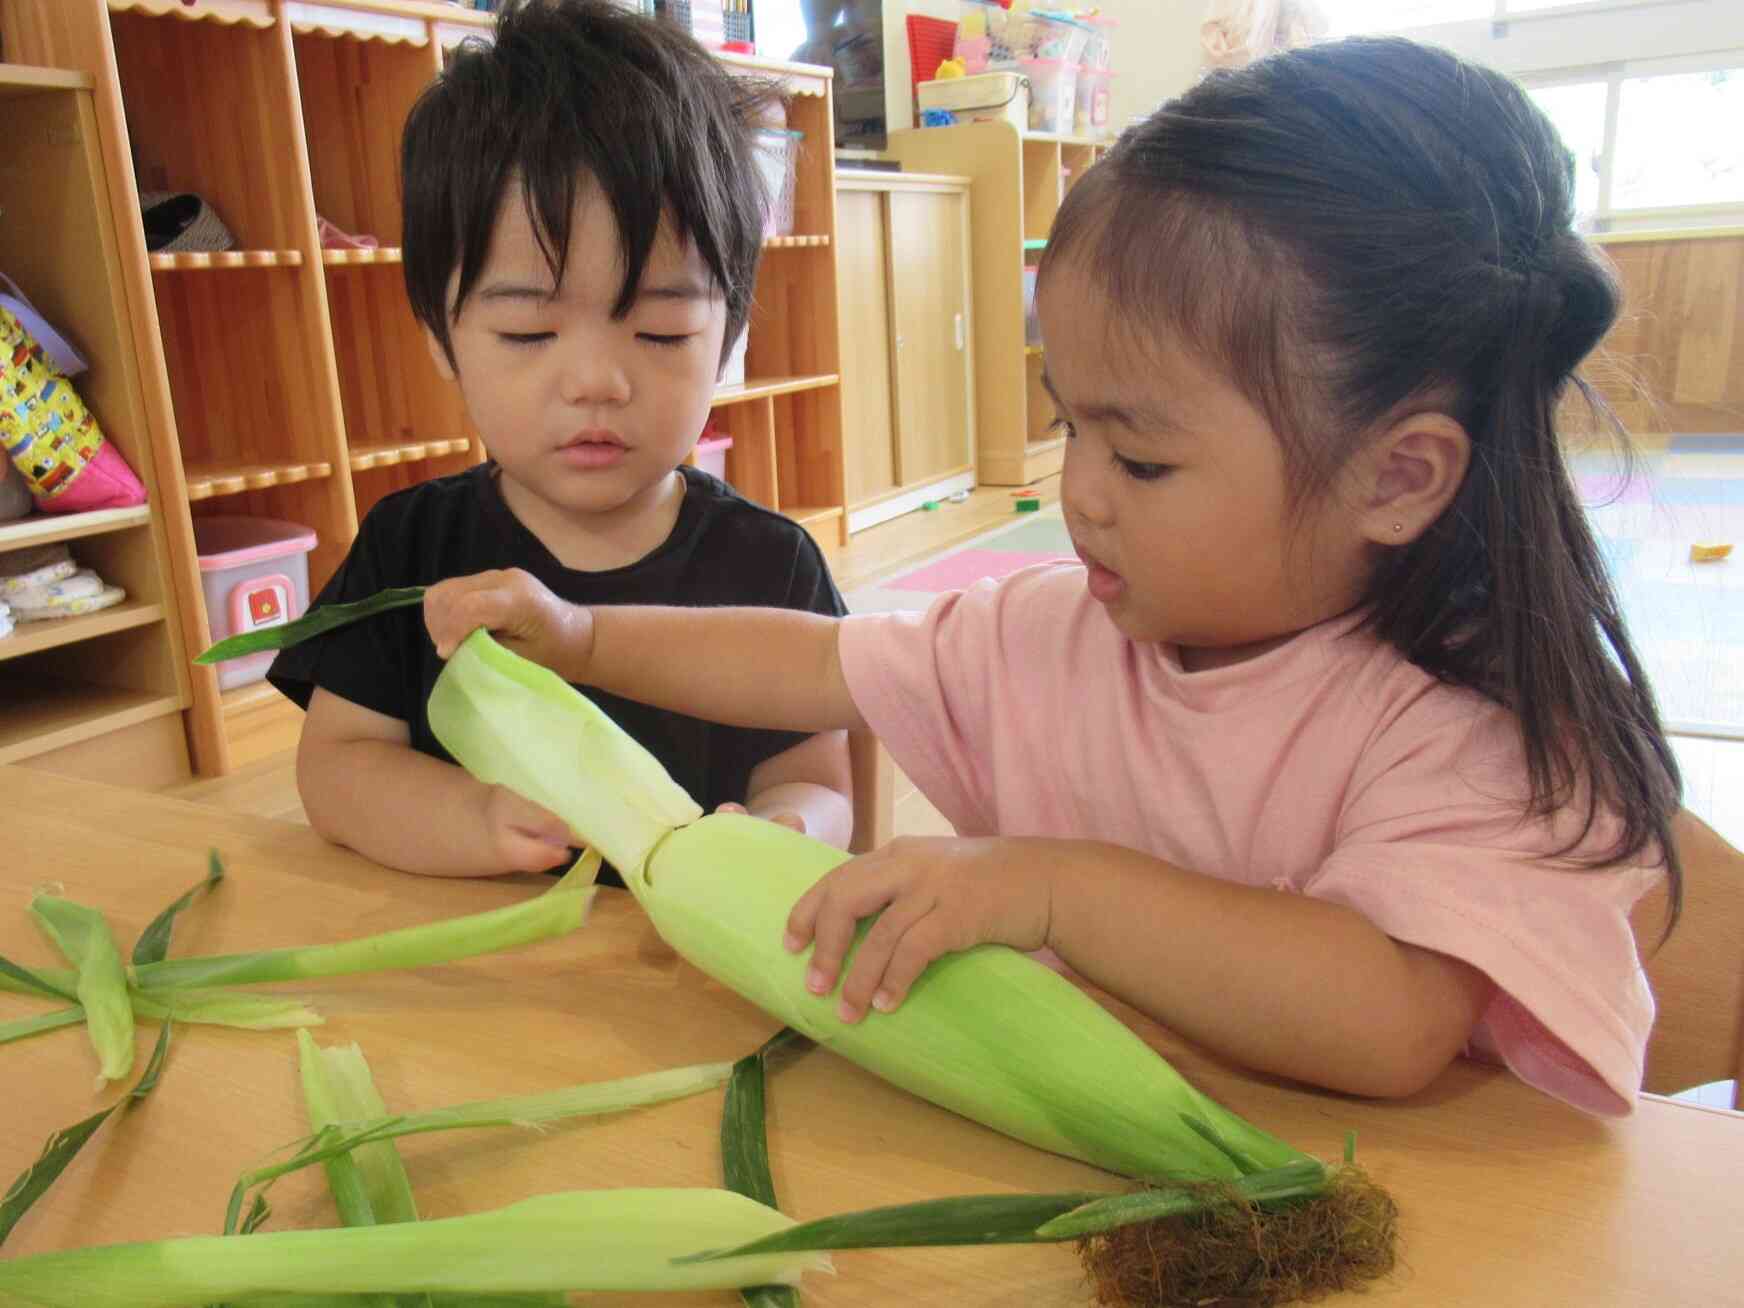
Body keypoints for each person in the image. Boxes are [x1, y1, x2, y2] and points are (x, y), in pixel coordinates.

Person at [423, 37, 1683, 1116]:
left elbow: (1392, 1018)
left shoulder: (1470, 723)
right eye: (1067, 424)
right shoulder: (1057, 632)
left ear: (1396, 478)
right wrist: (582, 636)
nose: (1077, 491)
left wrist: (1048, 888)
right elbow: (813, 660)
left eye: (1137, 456)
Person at [270, 0, 853, 883]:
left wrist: (783, 829)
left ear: (728, 336)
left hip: (686, 984)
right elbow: (338, 769)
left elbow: (819, 782)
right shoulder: (411, 549)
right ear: (441, 336)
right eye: (528, 335)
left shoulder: (770, 565)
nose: (596, 382)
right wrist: (471, 819)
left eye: (659, 333)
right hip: (486, 978)